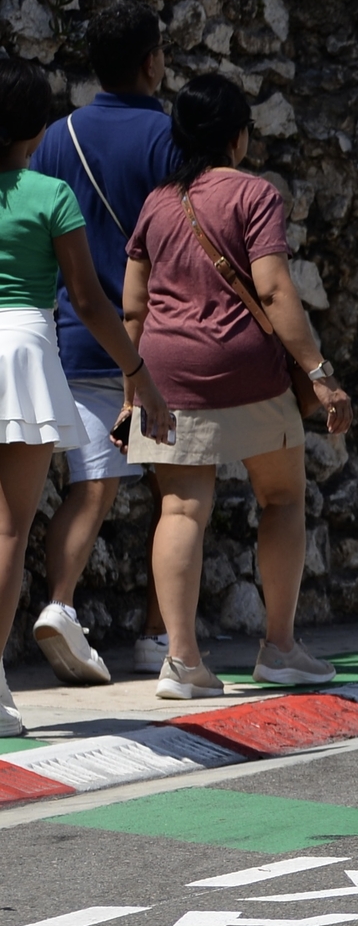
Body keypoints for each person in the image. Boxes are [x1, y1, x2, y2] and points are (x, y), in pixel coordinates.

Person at [120, 75, 353, 698]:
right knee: (280, 498)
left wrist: (131, 388)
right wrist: (320, 375)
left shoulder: (156, 204)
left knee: (180, 507)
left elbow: (134, 308)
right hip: (247, 372)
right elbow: (274, 290)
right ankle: (278, 648)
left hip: (166, 374)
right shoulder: (254, 194)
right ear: (238, 136)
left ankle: (183, 662)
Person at [0, 58, 171, 734]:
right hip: (25, 349)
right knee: (9, 528)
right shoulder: (49, 194)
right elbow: (87, 298)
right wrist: (136, 367)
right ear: (38, 128)